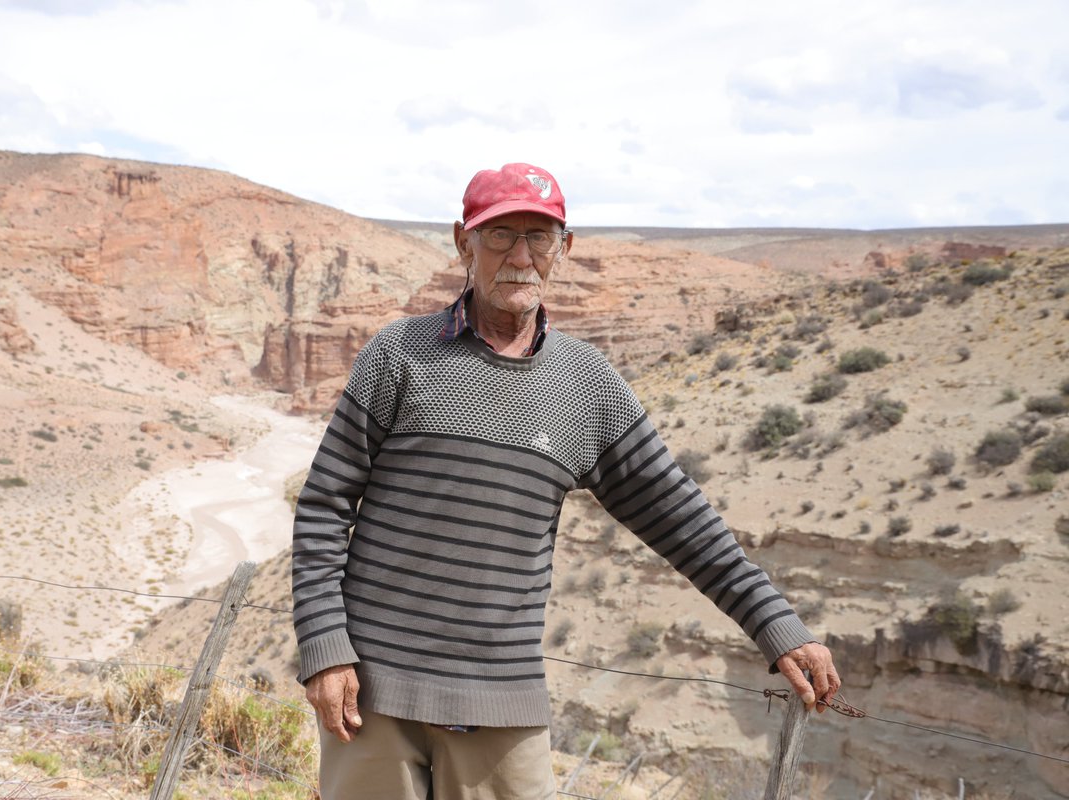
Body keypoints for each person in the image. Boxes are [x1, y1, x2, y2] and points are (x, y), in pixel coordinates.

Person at [291, 163, 840, 799]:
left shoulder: (589, 387)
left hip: (502, 702)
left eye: (539, 237)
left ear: (564, 248)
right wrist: (326, 648)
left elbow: (684, 522)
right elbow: (325, 507)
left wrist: (779, 627)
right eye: (499, 235)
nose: (520, 256)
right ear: (462, 241)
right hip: (372, 697)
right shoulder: (398, 356)